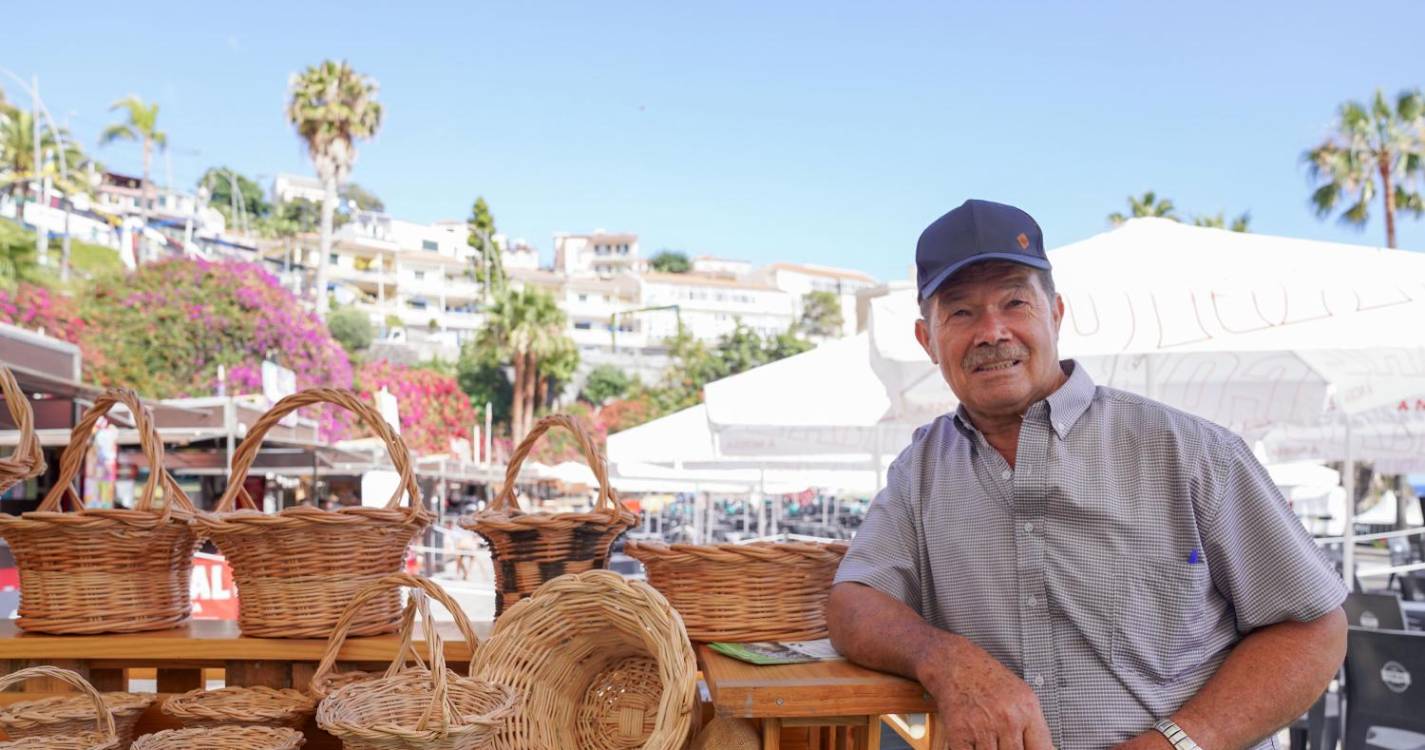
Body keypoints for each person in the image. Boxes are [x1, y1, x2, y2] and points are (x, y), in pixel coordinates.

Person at [827, 200, 1346, 750]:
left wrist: (1179, 742)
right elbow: (853, 601)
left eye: (1015, 302)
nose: (992, 331)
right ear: (926, 340)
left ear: (1055, 314)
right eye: (960, 313)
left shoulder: (1190, 452)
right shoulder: (921, 469)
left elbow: (1315, 627)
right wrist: (945, 659)